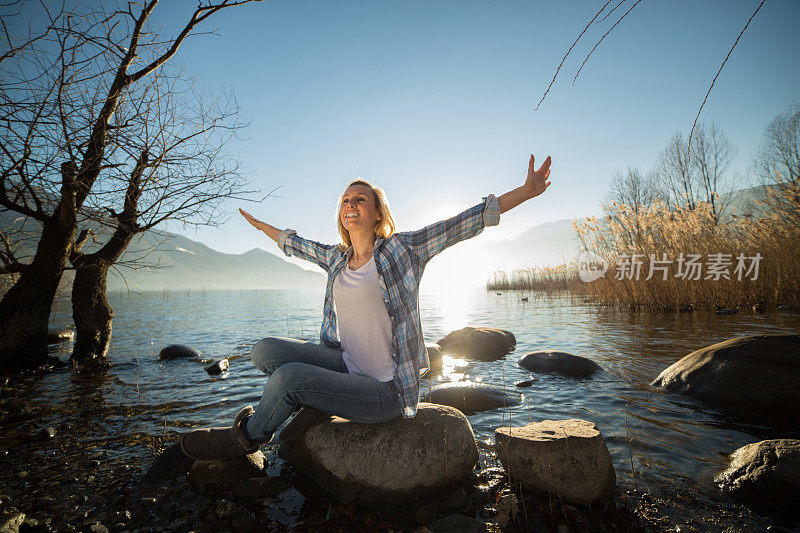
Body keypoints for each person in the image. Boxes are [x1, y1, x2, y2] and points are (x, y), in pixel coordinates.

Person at [143, 154, 551, 481]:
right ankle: (317, 402)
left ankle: (246, 438)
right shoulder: (337, 259)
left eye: (360, 199)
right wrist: (260, 225)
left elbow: (464, 222)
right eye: (345, 199)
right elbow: (293, 244)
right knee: (263, 350)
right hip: (346, 364)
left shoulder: (403, 251)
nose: (350, 203)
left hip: (384, 392)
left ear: (377, 214)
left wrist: (525, 192)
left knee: (287, 379)